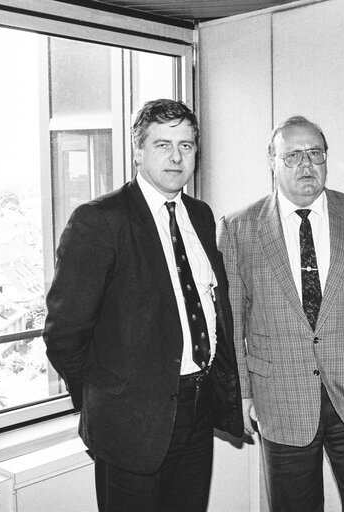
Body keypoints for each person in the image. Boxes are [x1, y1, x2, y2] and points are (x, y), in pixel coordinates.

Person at [43, 99, 243, 512]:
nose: (175, 157)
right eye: (162, 144)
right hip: (130, 425)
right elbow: (64, 334)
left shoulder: (201, 216)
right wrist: (107, 401)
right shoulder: (100, 220)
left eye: (186, 146)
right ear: (137, 152)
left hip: (198, 409)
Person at [218, 116, 344, 512]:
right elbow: (232, 323)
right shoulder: (239, 228)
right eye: (292, 155)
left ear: (326, 159)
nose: (306, 164)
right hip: (281, 403)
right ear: (271, 161)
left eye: (315, 153)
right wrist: (242, 394)